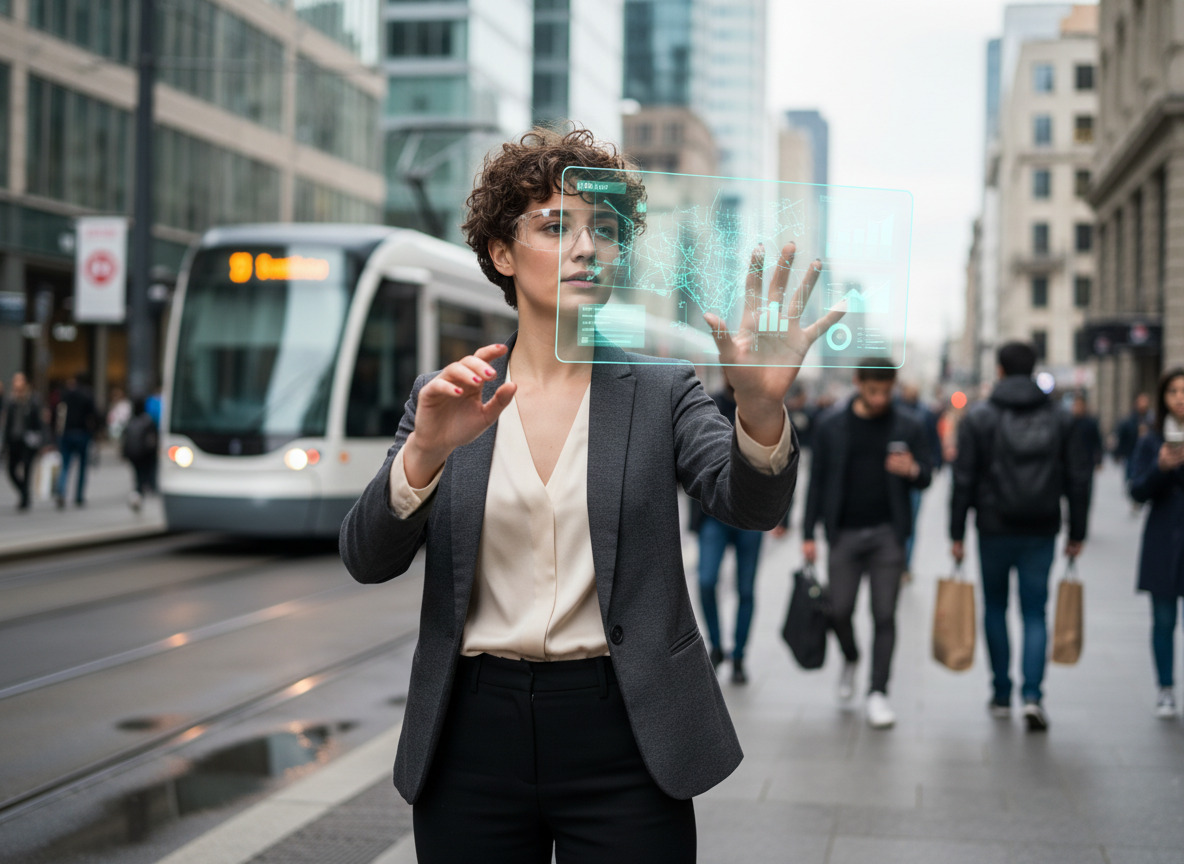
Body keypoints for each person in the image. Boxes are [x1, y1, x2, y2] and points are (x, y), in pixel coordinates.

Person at [338, 128, 842, 862]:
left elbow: (749, 505)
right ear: (502, 255)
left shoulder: (664, 392)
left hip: (625, 732)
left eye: (603, 231)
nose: (586, 248)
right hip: (471, 738)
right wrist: (424, 454)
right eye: (556, 226)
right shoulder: (449, 398)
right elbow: (365, 557)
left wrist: (760, 411)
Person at [949, 341, 1093, 732]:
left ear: (998, 370)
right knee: (1034, 611)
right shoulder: (1060, 419)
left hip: (993, 527)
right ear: (1033, 370)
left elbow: (963, 479)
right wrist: (1077, 530)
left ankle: (1000, 692)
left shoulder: (979, 417)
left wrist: (956, 531)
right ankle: (1032, 696)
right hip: (1041, 527)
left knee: (995, 608)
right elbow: (1079, 478)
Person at [802, 359, 933, 728]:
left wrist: (913, 470)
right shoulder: (831, 426)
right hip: (843, 533)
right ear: (858, 383)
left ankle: (878, 692)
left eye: (886, 391)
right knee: (839, 610)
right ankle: (851, 657)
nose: (879, 398)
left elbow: (927, 473)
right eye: (872, 390)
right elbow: (817, 482)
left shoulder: (908, 424)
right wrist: (808, 533)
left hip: (888, 535)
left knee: (884, 614)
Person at [696, 377, 768, 685]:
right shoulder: (704, 402)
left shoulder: (764, 406)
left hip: (751, 516)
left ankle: (739, 656)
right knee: (706, 580)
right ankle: (715, 645)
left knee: (746, 590)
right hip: (713, 513)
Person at [1127, 368, 1184, 718]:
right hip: (1164, 540)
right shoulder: (1151, 440)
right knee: (1163, 620)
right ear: (1163, 398)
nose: (1180, 397)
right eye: (1173, 391)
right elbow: (1136, 490)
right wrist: (1160, 468)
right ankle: (1165, 687)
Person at [898, 382, 942, 579]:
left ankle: (904, 564)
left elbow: (934, 440)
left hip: (915, 474)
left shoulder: (925, 413)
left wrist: (935, 463)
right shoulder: (894, 410)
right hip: (893, 476)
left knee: (911, 522)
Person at [54, 373, 99, 508]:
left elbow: (58, 413)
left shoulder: (66, 394)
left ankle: (61, 491)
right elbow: (95, 414)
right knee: (82, 467)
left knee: (65, 465)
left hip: (67, 433)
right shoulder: (87, 395)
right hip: (82, 433)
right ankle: (78, 496)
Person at [1, 372, 45, 511]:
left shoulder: (32, 399)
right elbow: (7, 423)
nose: (17, 384)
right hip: (14, 440)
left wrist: (44, 441)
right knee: (11, 470)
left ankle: (25, 499)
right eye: (15, 381)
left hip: (29, 441)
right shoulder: (11, 400)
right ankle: (24, 493)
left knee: (27, 469)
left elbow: (40, 422)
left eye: (20, 381)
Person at [122, 397, 159, 512]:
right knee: (146, 471)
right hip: (146, 453)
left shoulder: (130, 421)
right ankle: (147, 488)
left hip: (133, 453)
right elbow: (154, 438)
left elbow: (124, 438)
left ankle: (139, 490)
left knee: (138, 473)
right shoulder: (148, 420)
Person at [1114, 392, 1154, 475]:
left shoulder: (1151, 419)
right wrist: (1118, 453)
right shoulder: (1130, 420)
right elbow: (1122, 437)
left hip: (1148, 455)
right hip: (1132, 454)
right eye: (1141, 401)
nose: (1143, 404)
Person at [1070, 392, 1104, 474]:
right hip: (1072, 462)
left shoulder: (1090, 423)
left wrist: (1098, 461)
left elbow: (1097, 442)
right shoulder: (1068, 422)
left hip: (1087, 461)